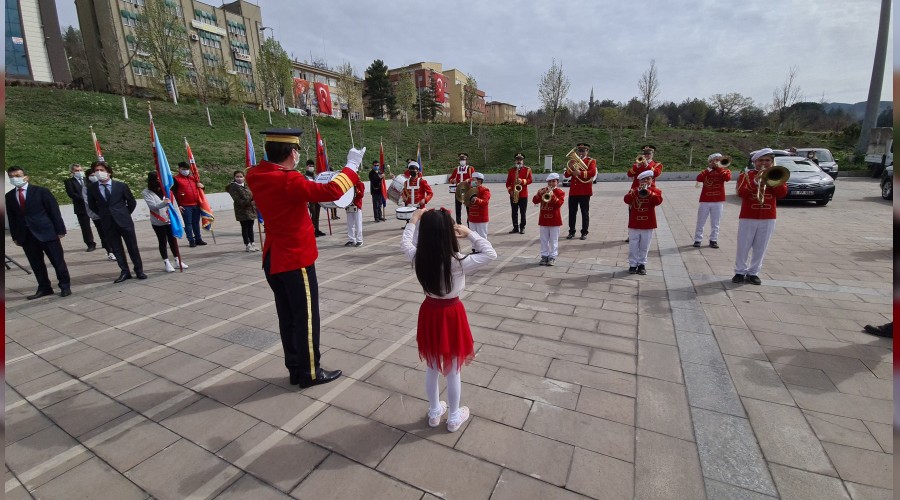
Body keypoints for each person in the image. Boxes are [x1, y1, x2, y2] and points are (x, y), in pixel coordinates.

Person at [245, 128, 364, 388]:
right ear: (291, 153)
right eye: (296, 151)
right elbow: (332, 191)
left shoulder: (255, 174)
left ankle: (295, 368)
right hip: (294, 260)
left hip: (274, 257)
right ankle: (310, 372)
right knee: (307, 318)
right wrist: (352, 165)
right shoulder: (288, 180)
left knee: (287, 318)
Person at [400, 207, 497, 432]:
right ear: (449, 233)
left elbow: (405, 242)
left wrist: (414, 219)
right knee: (453, 369)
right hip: (451, 314)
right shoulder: (458, 261)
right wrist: (470, 233)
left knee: (432, 366)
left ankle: (435, 412)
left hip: (430, 312)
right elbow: (490, 254)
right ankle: (454, 416)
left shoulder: (418, 256)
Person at [6, 166, 72, 298]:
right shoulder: (9, 196)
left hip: (47, 232)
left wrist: (60, 230)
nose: (15, 179)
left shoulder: (41, 192)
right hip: (26, 236)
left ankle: (65, 286)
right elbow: (12, 217)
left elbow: (54, 211)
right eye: (12, 177)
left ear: (26, 177)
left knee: (57, 261)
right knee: (36, 264)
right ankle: (44, 287)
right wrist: (15, 236)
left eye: (18, 176)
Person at [732, 148, 788, 285]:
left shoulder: (776, 174)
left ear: (772, 161)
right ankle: (739, 271)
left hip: (768, 216)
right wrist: (755, 182)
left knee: (761, 247)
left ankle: (754, 272)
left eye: (767, 160)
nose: (764, 163)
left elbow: (782, 194)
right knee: (743, 245)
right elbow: (741, 193)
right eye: (761, 160)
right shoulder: (746, 175)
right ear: (755, 162)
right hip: (748, 215)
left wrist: (772, 181)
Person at [87, 161, 147, 283]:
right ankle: (125, 271)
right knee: (116, 248)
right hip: (107, 222)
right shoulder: (92, 188)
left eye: (101, 170)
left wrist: (124, 214)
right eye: (96, 170)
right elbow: (92, 205)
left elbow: (131, 202)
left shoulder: (121, 186)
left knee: (132, 247)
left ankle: (139, 270)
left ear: (108, 172)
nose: (99, 172)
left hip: (124, 221)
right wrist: (104, 214)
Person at [141, 171, 188, 272]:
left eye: (160, 178)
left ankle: (177, 260)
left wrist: (180, 222)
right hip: (158, 222)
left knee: (173, 240)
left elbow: (175, 206)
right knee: (162, 241)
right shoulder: (146, 192)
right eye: (157, 179)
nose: (159, 180)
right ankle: (166, 262)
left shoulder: (167, 190)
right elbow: (153, 206)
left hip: (170, 220)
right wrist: (164, 203)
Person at [625, 170, 664, 275]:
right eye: (643, 179)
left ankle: (642, 264)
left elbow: (658, 201)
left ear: (652, 180)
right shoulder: (634, 190)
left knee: (645, 245)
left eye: (648, 179)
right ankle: (632, 264)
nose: (646, 181)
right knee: (633, 244)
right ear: (639, 181)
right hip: (635, 222)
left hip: (648, 222)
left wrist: (649, 193)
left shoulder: (656, 190)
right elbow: (626, 200)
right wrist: (636, 192)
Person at [693, 153, 732, 248]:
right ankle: (698, 239)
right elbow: (699, 178)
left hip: (718, 200)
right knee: (700, 221)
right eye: (715, 160)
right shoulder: (706, 171)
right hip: (705, 200)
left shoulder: (725, 171)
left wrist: (718, 167)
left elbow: (727, 178)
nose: (717, 162)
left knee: (716, 222)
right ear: (710, 161)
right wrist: (709, 168)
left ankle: (713, 239)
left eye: (719, 159)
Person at [625, 145, 663, 243]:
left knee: (647, 211)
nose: (646, 155)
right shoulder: (638, 164)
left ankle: (646, 233)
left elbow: (656, 174)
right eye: (645, 153)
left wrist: (646, 165)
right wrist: (636, 167)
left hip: (649, 191)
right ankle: (632, 233)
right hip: (636, 190)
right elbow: (629, 174)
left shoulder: (657, 164)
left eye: (648, 153)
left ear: (652, 154)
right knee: (633, 212)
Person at [564, 142, 598, 240]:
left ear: (587, 151)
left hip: (584, 191)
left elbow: (592, 172)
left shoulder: (591, 161)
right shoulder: (573, 161)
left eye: (583, 150)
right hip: (574, 191)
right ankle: (571, 231)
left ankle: (584, 232)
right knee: (572, 212)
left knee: (584, 212)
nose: (581, 152)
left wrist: (580, 173)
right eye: (579, 151)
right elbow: (566, 175)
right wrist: (570, 168)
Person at [82, 165, 116, 261]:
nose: (95, 176)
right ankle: (110, 251)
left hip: (108, 213)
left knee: (112, 233)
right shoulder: (87, 187)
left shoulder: (103, 184)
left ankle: (115, 249)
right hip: (96, 214)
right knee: (103, 233)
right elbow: (88, 201)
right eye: (92, 174)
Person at [171, 161, 207, 247]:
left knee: (196, 223)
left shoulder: (193, 178)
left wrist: (203, 186)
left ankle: (198, 238)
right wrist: (178, 205)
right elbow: (173, 193)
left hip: (196, 204)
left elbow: (200, 189)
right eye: (183, 169)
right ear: (179, 169)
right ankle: (191, 240)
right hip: (185, 205)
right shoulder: (175, 179)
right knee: (188, 224)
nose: (185, 171)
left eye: (187, 169)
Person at [533, 172, 565, 266]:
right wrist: (539, 194)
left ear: (557, 182)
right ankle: (544, 256)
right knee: (543, 239)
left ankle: (552, 256)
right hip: (543, 219)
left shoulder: (560, 192)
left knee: (553, 239)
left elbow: (559, 204)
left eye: (553, 181)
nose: (551, 183)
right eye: (549, 181)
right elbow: (535, 201)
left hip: (555, 219)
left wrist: (553, 196)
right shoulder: (542, 190)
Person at [63, 163, 96, 251]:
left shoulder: (87, 179)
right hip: (81, 206)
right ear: (72, 172)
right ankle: (90, 243)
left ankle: (105, 242)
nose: (79, 172)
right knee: (85, 227)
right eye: (77, 170)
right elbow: (72, 194)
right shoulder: (69, 182)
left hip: (92, 206)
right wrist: (85, 198)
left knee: (100, 224)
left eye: (80, 170)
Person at [226, 170, 259, 252]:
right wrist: (250, 202)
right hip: (242, 210)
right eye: (237, 177)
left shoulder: (247, 186)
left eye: (241, 176)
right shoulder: (233, 187)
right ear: (234, 177)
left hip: (251, 209)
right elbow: (237, 200)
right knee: (245, 227)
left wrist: (255, 199)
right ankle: (247, 244)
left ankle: (252, 243)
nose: (239, 178)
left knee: (251, 227)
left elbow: (252, 194)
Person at [506, 153, 533, 234]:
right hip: (513, 194)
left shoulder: (527, 169)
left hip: (523, 194)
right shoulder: (511, 170)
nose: (519, 161)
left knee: (523, 212)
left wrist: (523, 181)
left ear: (523, 160)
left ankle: (522, 227)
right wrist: (510, 190)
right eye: (517, 159)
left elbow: (530, 180)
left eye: (520, 160)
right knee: (514, 211)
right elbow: (508, 183)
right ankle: (515, 227)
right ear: (515, 160)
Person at [449, 152, 476, 225]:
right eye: (461, 160)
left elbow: (474, 178)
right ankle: (459, 224)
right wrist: (452, 180)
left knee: (468, 208)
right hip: (458, 190)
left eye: (463, 160)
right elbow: (450, 178)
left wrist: (468, 180)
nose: (462, 161)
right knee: (458, 208)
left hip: (468, 190)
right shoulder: (456, 169)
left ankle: (469, 223)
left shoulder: (470, 168)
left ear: (466, 160)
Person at [466, 172, 490, 244]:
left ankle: (483, 250)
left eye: (473, 180)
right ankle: (474, 249)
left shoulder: (484, 190)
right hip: (472, 217)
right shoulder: (470, 190)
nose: (471, 181)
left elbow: (485, 201)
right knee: (473, 235)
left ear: (479, 181)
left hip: (481, 218)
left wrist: (477, 200)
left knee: (482, 236)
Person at [304, 160, 326, 237]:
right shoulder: (305, 177)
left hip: (317, 198)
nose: (312, 167)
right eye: (310, 166)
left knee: (317, 215)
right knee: (313, 215)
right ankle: (312, 230)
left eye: (313, 166)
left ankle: (317, 229)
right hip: (311, 199)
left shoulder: (316, 176)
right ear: (306, 167)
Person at [345, 177, 364, 247]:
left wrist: (356, 189)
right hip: (349, 205)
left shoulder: (360, 184)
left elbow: (361, 195)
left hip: (357, 205)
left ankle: (359, 240)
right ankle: (351, 239)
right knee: (350, 224)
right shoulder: (347, 184)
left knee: (358, 223)